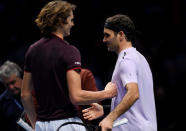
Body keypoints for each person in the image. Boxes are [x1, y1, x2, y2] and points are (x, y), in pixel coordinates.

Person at [21, 1, 117, 131]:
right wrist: (106, 93)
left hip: (41, 125)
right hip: (66, 125)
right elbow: (76, 96)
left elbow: (25, 95)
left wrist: (35, 124)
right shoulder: (69, 51)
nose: (73, 24)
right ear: (61, 21)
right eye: (71, 20)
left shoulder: (32, 50)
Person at [82, 14, 157, 131]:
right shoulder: (139, 57)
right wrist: (106, 110)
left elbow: (133, 94)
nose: (104, 40)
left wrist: (110, 118)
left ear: (121, 35)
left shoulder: (126, 60)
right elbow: (135, 102)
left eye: (107, 35)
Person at [0, 60, 25, 131]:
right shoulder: (2, 102)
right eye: (7, 85)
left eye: (13, 82)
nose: (11, 87)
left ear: (21, 77)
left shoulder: (35, 90)